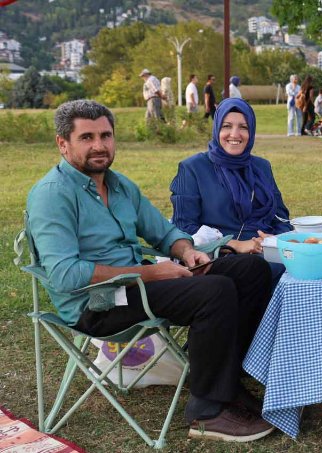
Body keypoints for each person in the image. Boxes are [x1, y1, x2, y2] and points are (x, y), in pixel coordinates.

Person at [27, 100, 275, 442]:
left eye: (106, 135)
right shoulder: (52, 195)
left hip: (136, 287)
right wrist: (149, 274)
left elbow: (163, 232)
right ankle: (207, 412)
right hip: (95, 304)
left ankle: (226, 382)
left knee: (250, 270)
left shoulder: (120, 186)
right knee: (214, 292)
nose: (99, 145)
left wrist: (186, 252)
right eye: (87, 137)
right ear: (63, 144)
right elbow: (65, 275)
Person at [171, 98, 293, 289]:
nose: (234, 134)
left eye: (243, 127)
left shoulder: (261, 167)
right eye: (227, 126)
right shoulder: (193, 168)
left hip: (265, 251)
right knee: (257, 269)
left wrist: (272, 239)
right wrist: (234, 244)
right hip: (216, 256)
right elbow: (183, 227)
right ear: (217, 129)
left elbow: (281, 218)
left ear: (251, 131)